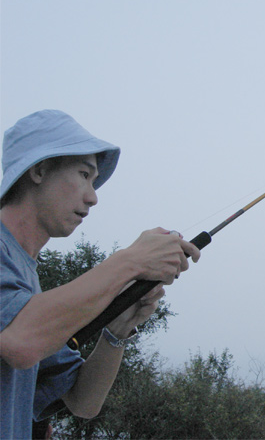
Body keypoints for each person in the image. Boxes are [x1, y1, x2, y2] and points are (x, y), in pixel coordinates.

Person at [0, 109, 201, 439]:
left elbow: (83, 401)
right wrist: (129, 262)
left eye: (94, 181)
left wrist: (118, 329)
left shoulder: (28, 284)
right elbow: (19, 342)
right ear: (38, 170)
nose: (93, 197)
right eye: (83, 174)